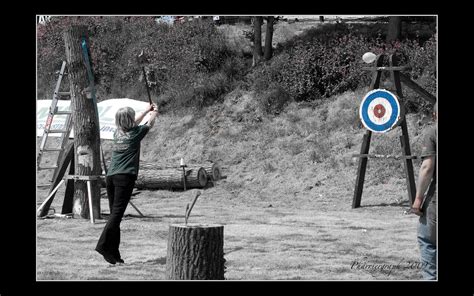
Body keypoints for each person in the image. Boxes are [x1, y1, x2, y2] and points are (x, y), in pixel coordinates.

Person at [95, 102, 158, 264]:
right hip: (125, 178)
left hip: (111, 177)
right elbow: (149, 123)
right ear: (129, 120)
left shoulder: (118, 133)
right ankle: (103, 246)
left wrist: (145, 110)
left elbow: (134, 122)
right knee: (116, 215)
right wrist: (154, 112)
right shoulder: (137, 133)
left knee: (114, 217)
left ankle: (114, 253)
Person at [409, 101, 437, 280]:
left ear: (434, 115)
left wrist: (418, 199)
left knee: (428, 241)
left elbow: (427, 167)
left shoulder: (433, 132)